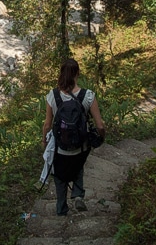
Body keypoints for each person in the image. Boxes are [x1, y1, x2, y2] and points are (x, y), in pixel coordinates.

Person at [42, 58, 106, 216]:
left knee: (59, 175)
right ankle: (77, 195)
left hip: (59, 147)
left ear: (61, 74)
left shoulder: (53, 95)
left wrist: (44, 141)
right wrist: (101, 138)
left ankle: (61, 208)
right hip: (80, 146)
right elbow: (100, 125)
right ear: (78, 73)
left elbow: (47, 125)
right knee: (78, 167)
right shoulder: (88, 96)